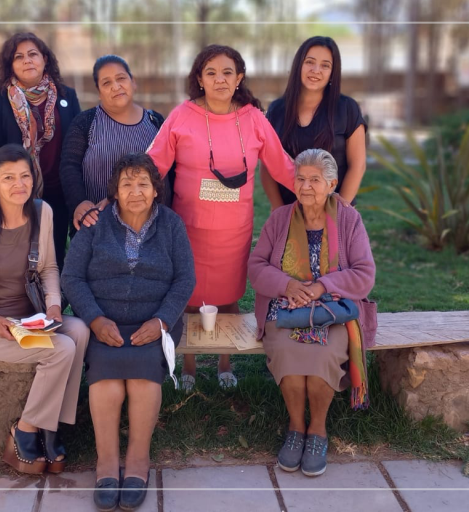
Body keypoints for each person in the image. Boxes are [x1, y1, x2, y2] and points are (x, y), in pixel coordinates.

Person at [146, 44, 295, 392]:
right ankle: (189, 364)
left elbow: (282, 165)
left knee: (228, 295)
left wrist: (316, 189)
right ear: (200, 78)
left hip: (235, 228)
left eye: (227, 72)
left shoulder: (254, 118)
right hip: (190, 227)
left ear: (239, 77)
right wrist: (124, 192)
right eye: (211, 72)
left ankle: (225, 361)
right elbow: (154, 164)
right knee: (190, 294)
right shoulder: (182, 116)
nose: (219, 79)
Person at [0, 144, 90, 474]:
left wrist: (54, 305)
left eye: (25, 176)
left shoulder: (43, 212)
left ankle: (50, 427)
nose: (19, 184)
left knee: (79, 329)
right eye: (8, 178)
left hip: (32, 319)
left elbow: (50, 268)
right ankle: (25, 428)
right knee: (62, 348)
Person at [62, 153, 195, 511]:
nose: (135, 191)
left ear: (155, 190)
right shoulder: (95, 224)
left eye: (143, 184)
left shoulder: (171, 225)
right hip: (104, 320)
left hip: (155, 319)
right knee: (105, 377)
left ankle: (137, 460)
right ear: (115, 192)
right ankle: (106, 462)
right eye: (126, 184)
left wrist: (163, 321)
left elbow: (185, 280)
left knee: (141, 377)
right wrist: (93, 319)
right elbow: (71, 278)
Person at [247, 149, 376, 477]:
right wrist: (287, 285)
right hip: (284, 307)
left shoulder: (349, 218)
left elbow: (364, 274)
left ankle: (317, 430)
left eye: (315, 180)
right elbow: (256, 266)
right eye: (300, 179)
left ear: (332, 183)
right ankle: (295, 428)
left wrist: (322, 286)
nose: (306, 187)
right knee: (289, 355)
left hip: (332, 309)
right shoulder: (280, 219)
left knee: (322, 357)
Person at [0, 32, 81, 271]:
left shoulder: (67, 96)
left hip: (60, 191)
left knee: (55, 255)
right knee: (21, 257)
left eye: (32, 54)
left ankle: (52, 305)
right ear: (10, 65)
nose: (27, 60)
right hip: (20, 192)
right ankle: (23, 304)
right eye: (19, 57)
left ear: (44, 59)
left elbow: (79, 146)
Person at [60, 55, 166, 230]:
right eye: (106, 83)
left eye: (121, 78)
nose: (116, 87)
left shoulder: (155, 122)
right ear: (99, 91)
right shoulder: (85, 122)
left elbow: (165, 174)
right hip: (96, 225)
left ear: (133, 82)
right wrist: (79, 203)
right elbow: (69, 166)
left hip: (147, 227)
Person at [261, 36, 367, 209]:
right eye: (310, 62)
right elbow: (267, 167)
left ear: (333, 72)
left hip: (335, 212)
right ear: (298, 66)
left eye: (325, 65)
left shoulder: (347, 108)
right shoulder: (277, 109)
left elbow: (358, 164)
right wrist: (279, 210)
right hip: (290, 211)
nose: (316, 70)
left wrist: (340, 211)